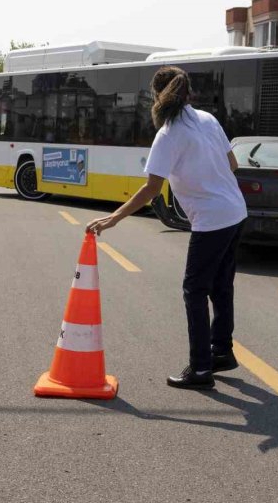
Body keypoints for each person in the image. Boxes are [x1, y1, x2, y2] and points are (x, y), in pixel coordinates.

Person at [87, 66, 247, 390]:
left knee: (194, 291)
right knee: (220, 287)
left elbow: (150, 189)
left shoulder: (168, 133)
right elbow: (233, 164)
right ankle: (222, 352)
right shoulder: (207, 119)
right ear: (187, 94)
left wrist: (112, 218)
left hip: (212, 220)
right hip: (236, 212)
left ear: (157, 95)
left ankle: (201, 369)